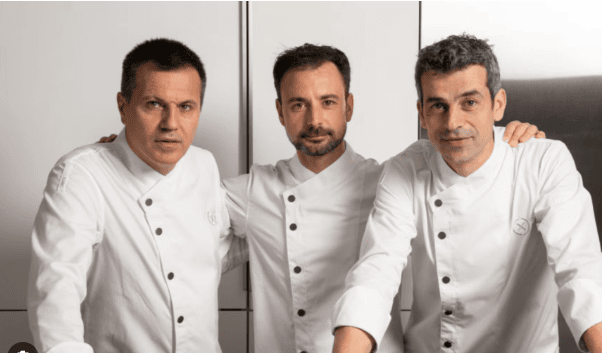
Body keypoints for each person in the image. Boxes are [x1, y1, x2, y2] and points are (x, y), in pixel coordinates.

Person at [97, 43, 542, 352]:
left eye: (328, 102)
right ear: (279, 112)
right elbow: (173, 206)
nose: (315, 119)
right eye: (297, 105)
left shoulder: (389, 183)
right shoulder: (252, 190)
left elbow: (463, 183)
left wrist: (508, 137)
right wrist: (126, 154)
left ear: (348, 106)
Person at [332, 34, 602, 353]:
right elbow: (375, 275)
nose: (453, 122)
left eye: (469, 102)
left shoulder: (543, 162)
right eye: (438, 106)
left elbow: (581, 272)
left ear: (497, 104)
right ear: (421, 112)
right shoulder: (405, 170)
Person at [28, 38, 244, 353]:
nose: (171, 124)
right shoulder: (81, 175)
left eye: (185, 107)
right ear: (123, 106)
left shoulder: (204, 163)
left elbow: (210, 252)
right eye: (154, 104)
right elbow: (56, 290)